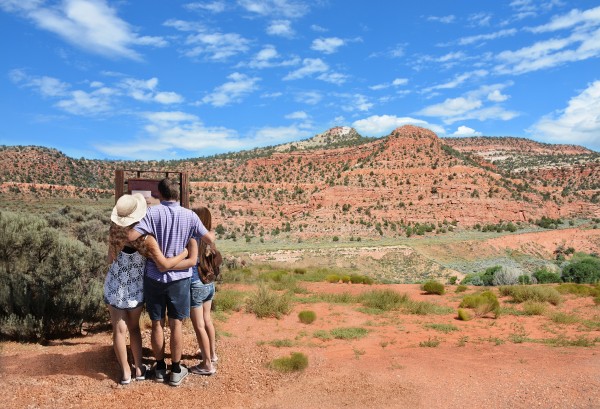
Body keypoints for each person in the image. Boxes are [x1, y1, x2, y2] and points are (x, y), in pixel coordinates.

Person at [127, 178, 216, 387]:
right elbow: (209, 239)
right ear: (178, 194)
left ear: (160, 194)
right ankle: (176, 370)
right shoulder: (190, 216)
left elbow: (131, 235)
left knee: (156, 324)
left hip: (154, 278)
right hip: (180, 280)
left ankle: (159, 368)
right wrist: (207, 235)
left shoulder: (152, 214)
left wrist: (147, 243)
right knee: (176, 324)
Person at [104, 193, 195, 385]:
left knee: (118, 331)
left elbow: (110, 259)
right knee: (134, 329)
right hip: (135, 288)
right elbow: (164, 264)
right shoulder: (145, 239)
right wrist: (185, 254)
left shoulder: (114, 230)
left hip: (115, 286)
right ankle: (139, 369)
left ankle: (126, 373)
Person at [188, 207, 222, 376]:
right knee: (207, 320)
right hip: (209, 283)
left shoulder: (193, 237)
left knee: (198, 324)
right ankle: (212, 354)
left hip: (196, 284)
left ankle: (207, 364)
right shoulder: (209, 239)